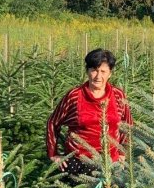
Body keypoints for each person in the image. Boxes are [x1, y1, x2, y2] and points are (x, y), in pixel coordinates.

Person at [46, 48, 133, 179]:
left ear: (110, 73)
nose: (98, 76)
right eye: (94, 70)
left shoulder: (118, 95)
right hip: (78, 163)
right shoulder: (74, 96)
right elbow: (53, 122)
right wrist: (53, 154)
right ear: (87, 71)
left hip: (111, 163)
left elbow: (128, 125)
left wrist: (122, 153)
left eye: (103, 71)